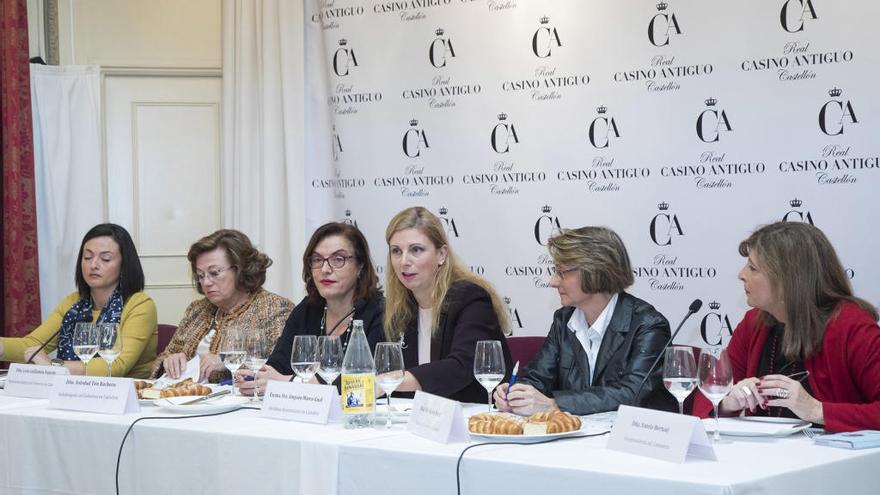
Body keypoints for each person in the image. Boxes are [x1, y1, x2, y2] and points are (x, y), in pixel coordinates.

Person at [693, 222, 880, 432]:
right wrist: (728, 403)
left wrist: (817, 410)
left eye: (753, 268)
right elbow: (706, 398)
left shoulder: (852, 327)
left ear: (787, 279)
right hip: (767, 459)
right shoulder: (753, 323)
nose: (741, 274)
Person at [494, 226, 676, 416]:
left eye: (561, 272)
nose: (552, 281)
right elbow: (538, 378)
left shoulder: (648, 325)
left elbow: (632, 394)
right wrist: (516, 394)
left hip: (634, 439)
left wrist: (556, 405)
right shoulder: (563, 319)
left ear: (595, 271)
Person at [237, 222, 384, 396]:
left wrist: (287, 382)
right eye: (317, 260)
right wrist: (256, 378)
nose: (325, 269)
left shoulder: (379, 311)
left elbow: (366, 381)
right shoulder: (307, 309)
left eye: (338, 259)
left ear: (360, 266)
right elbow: (277, 365)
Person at [383, 206, 512, 404]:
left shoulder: (470, 299)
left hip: (473, 420)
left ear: (441, 254)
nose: (404, 261)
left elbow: (461, 367)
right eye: (396, 251)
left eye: (416, 250)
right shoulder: (401, 308)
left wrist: (390, 381)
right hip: (418, 423)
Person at [0, 224, 157, 378]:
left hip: (130, 397)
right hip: (74, 391)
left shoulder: (140, 305)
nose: (93, 265)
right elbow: (32, 346)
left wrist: (53, 367)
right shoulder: (74, 303)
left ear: (124, 266)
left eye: (105, 259)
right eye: (87, 257)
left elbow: (116, 365)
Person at [151, 229, 293, 383]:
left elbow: (277, 369)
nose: (206, 282)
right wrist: (170, 362)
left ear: (240, 269)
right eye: (200, 275)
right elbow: (162, 359)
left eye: (214, 273)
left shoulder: (274, 308)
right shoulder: (196, 310)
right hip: (186, 399)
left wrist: (227, 362)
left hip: (239, 401)